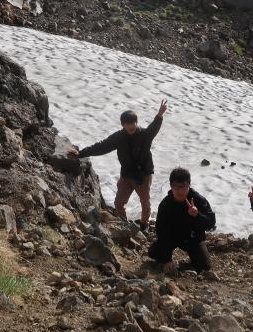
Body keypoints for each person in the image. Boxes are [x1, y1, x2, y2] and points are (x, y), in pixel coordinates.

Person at [70, 100, 167, 230]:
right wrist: (80, 153)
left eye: (133, 122)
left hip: (143, 175)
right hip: (126, 174)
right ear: (123, 124)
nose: (131, 125)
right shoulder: (119, 137)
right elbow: (101, 146)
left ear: (136, 122)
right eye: (128, 123)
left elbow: (153, 127)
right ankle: (124, 224)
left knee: (145, 202)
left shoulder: (144, 135)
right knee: (118, 202)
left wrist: (159, 115)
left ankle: (144, 225)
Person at [148, 167, 216, 273]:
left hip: (193, 238)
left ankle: (193, 260)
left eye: (184, 186)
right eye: (177, 187)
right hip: (173, 237)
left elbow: (211, 222)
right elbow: (161, 231)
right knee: (153, 252)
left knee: (204, 267)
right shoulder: (165, 204)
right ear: (171, 186)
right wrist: (167, 260)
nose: (180, 191)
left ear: (189, 185)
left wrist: (197, 215)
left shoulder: (197, 199)